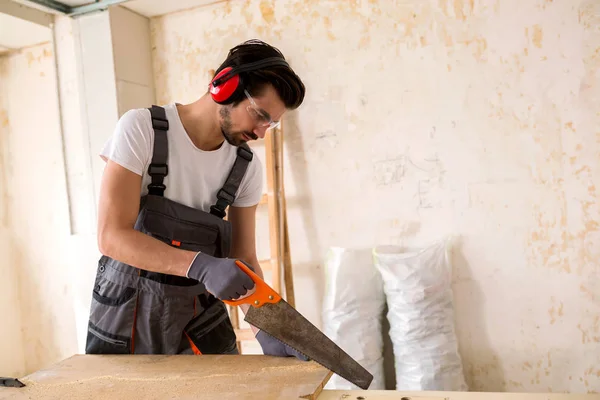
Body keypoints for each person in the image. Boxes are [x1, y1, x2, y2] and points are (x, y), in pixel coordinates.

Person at [85, 39, 307, 359]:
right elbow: (111, 236)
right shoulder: (142, 130)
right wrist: (199, 265)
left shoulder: (245, 168)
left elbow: (243, 258)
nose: (261, 133)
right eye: (259, 115)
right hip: (124, 313)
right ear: (224, 87)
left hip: (196, 316)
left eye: (270, 124)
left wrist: (269, 325)